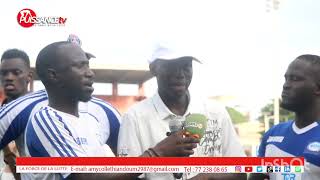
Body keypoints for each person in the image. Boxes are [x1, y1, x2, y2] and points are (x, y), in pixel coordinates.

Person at [25, 41, 199, 180]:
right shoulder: (46, 119)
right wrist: (158, 153)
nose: (90, 73)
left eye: (88, 65)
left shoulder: (93, 120)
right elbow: (84, 176)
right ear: (53, 75)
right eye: (80, 66)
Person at [117, 45, 247, 180]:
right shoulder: (134, 118)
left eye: (186, 66)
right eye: (172, 66)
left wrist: (207, 177)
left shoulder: (216, 113)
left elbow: (240, 172)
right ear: (154, 68)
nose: (179, 74)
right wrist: (158, 154)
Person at [250, 54, 320, 180]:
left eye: (295, 79)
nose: (286, 85)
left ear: (318, 88)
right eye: (286, 78)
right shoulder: (273, 134)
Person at [0, 49, 33, 180]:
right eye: (3, 73)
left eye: (16, 73)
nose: (9, 77)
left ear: (29, 77)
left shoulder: (43, 111)